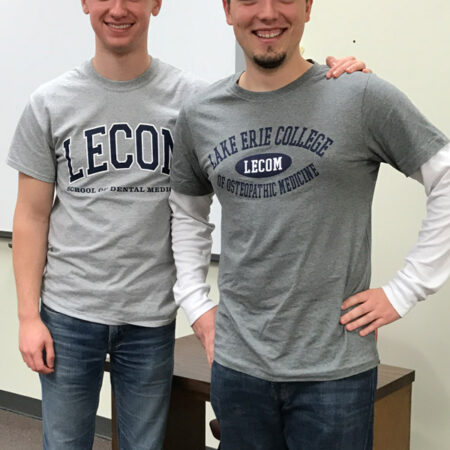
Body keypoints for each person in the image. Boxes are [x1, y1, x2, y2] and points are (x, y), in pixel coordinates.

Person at [6, 0, 369, 449]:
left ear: (157, 4)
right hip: (68, 314)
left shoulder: (195, 100)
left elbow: (272, 107)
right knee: (64, 443)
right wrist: (28, 316)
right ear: (84, 3)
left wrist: (339, 81)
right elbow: (31, 215)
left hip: (152, 316)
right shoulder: (49, 102)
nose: (118, 9)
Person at [169, 0, 450, 449]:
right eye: (249, 0)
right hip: (237, 370)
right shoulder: (200, 114)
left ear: (307, 6)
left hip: (334, 376)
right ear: (227, 9)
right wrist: (196, 304)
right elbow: (186, 213)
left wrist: (406, 290)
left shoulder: (359, 96)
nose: (267, 13)